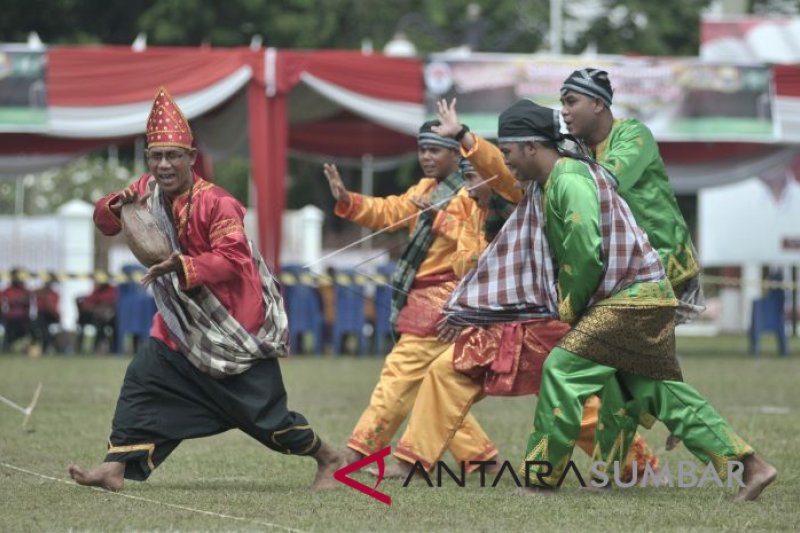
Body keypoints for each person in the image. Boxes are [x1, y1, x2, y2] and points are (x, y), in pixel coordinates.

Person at [496, 99, 775, 500]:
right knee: (653, 390)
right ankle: (751, 466)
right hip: (638, 295)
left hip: (632, 298)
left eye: (506, 152)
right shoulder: (554, 181)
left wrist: (568, 308)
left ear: (532, 147)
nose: (506, 163)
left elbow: (585, 254)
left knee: (560, 368)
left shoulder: (569, 179)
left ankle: (540, 478)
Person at [68, 87, 342, 492]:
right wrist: (115, 204)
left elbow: (234, 259)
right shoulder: (147, 190)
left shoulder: (218, 203)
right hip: (179, 327)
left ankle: (330, 458)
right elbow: (105, 221)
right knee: (143, 381)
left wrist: (182, 265)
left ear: (191, 159)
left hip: (232, 327)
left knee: (267, 419)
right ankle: (114, 468)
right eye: (156, 156)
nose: (163, 164)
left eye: (173, 155)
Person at [387, 101, 658, 480]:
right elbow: (472, 268)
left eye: (473, 178)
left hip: (545, 317)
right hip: (500, 322)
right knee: (446, 373)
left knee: (574, 404)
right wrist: (467, 308)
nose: (467, 187)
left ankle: (636, 464)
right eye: (466, 179)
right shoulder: (473, 214)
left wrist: (464, 136)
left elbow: (499, 169)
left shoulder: (526, 190)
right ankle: (411, 462)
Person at [323, 121, 500, 472]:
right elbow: (392, 212)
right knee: (428, 384)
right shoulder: (427, 188)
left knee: (400, 375)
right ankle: (481, 460)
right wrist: (349, 200)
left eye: (435, 149)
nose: (426, 157)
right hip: (424, 297)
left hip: (445, 297)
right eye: (422, 150)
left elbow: (479, 244)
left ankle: (358, 453)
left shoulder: (471, 191)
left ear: (455, 152)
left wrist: (437, 219)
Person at [560, 68, 703, 322]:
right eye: (563, 103)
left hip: (662, 262)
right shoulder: (579, 149)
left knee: (616, 346)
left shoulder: (634, 134)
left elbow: (603, 182)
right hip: (624, 269)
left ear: (597, 103)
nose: (564, 111)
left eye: (571, 101)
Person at [76, 274, 117, 353]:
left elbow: (113, 304)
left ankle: (111, 348)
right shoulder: (97, 291)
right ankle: (97, 347)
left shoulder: (113, 290)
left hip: (111, 318)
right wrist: (95, 308)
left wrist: (105, 307)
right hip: (97, 317)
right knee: (99, 324)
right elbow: (86, 304)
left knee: (112, 325)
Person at [1, 268, 32, 352]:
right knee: (10, 330)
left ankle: (23, 347)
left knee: (26, 330)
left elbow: (28, 301)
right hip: (9, 318)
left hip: (23, 318)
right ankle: (7, 347)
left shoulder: (25, 290)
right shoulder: (7, 290)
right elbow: (4, 302)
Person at [32, 272, 61, 354]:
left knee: (41, 323)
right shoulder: (40, 292)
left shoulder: (54, 294)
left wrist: (46, 298)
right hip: (42, 315)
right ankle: (44, 345)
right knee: (38, 324)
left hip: (51, 315)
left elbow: (51, 309)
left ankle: (47, 345)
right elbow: (32, 293)